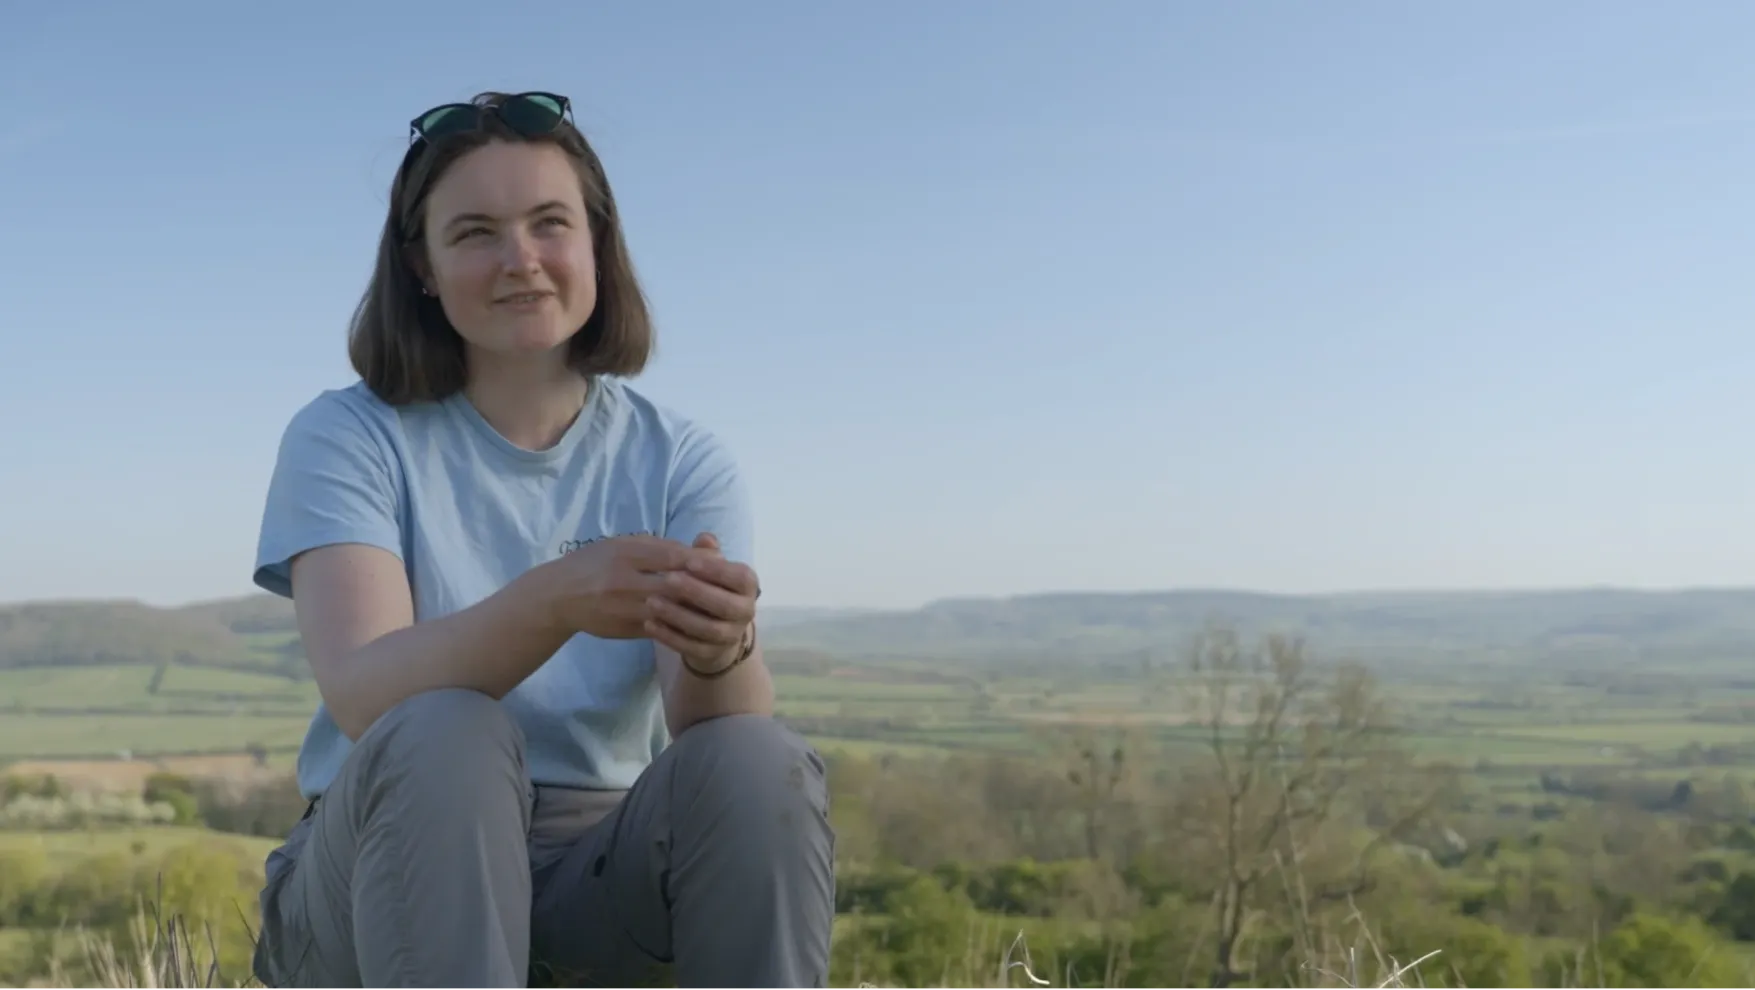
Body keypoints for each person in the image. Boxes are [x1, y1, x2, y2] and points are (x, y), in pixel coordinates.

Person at [246, 91, 835, 990]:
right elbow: (367, 695)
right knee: (444, 726)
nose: (520, 260)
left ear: (596, 241)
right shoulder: (347, 436)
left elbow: (707, 734)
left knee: (760, 757)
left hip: (596, 872)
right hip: (377, 870)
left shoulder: (680, 459)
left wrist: (723, 646)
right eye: (475, 232)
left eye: (548, 223)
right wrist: (554, 600)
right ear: (423, 267)